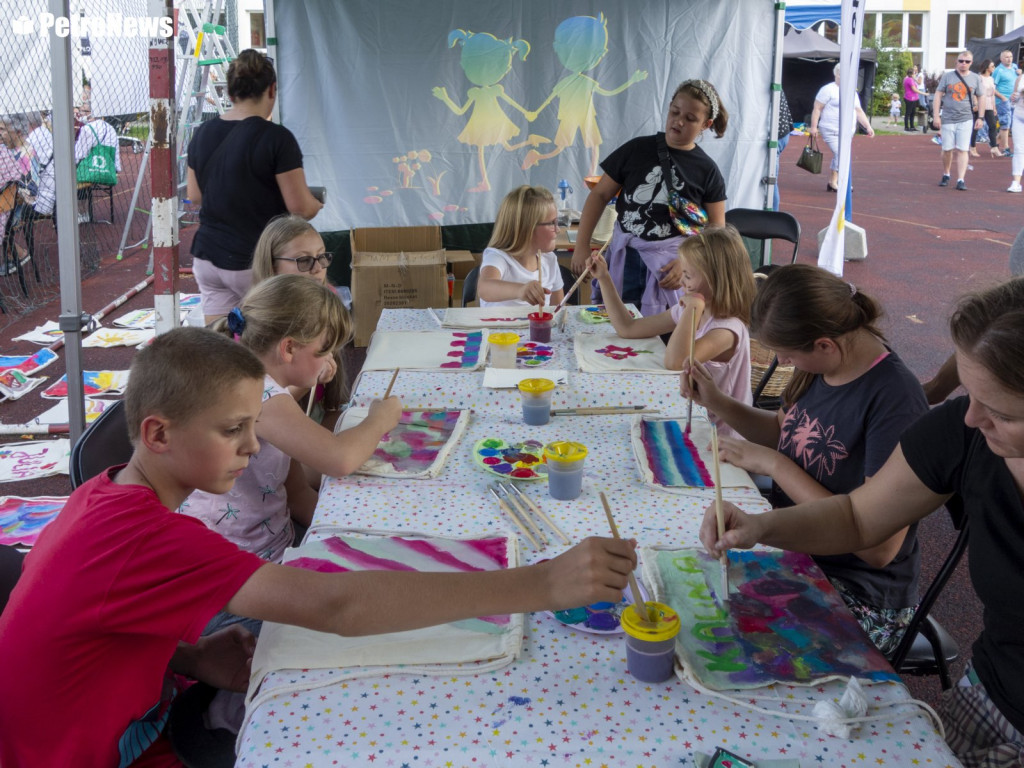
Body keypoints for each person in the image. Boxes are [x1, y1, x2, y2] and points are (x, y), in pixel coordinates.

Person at [0, 326, 636, 766]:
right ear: (158, 434)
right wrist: (541, 585)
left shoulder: (107, 496)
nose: (253, 449)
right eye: (233, 431)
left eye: (253, 426)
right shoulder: (147, 534)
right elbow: (336, 605)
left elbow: (97, 626)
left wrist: (188, 657)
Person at [701, 278, 1024, 766]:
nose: (972, 418)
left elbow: (879, 551)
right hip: (993, 689)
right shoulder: (965, 432)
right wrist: (758, 527)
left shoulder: (889, 394)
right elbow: (857, 516)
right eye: (970, 392)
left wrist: (773, 472)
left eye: (1000, 411)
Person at [682, 264, 928, 654]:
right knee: (688, 601)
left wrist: (776, 465)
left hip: (858, 589)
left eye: (787, 355)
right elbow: (786, 432)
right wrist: (718, 402)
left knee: (724, 643)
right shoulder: (821, 368)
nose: (783, 363)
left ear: (824, 344)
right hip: (798, 549)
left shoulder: (894, 400)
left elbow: (878, 548)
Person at [181, 274, 400, 570]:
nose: (329, 361)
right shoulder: (259, 394)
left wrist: (348, 534)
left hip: (270, 541)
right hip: (242, 565)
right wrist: (379, 420)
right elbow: (339, 459)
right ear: (289, 349)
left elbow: (295, 494)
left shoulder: (259, 383)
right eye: (324, 351)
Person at [570, 79, 728, 317]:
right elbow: (599, 195)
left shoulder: (707, 170)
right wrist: (581, 246)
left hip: (673, 270)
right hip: (626, 259)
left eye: (690, 118)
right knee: (617, 328)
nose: (679, 121)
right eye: (675, 112)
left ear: (706, 124)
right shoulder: (636, 149)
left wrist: (690, 263)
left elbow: (717, 229)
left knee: (664, 338)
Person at [187, 49, 323, 324]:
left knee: (222, 344)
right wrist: (317, 202)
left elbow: (195, 196)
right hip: (256, 260)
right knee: (273, 341)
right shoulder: (277, 138)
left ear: (229, 92)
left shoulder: (203, 133)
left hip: (208, 258)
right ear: (272, 90)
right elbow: (300, 209)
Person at [586, 224, 754, 435]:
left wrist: (692, 310)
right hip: (694, 420)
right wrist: (604, 278)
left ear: (716, 280)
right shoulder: (691, 310)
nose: (682, 281)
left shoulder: (727, 330)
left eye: (688, 276)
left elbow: (675, 362)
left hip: (721, 437)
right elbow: (628, 328)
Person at [477, 185, 565, 308]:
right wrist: (520, 290)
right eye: (552, 223)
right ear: (527, 228)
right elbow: (484, 288)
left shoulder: (550, 260)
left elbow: (558, 309)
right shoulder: (498, 258)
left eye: (557, 222)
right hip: (499, 328)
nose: (558, 229)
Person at [809, 63, 875, 193]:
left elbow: (858, 110)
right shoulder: (828, 90)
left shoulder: (852, 92)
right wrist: (813, 127)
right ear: (837, 74)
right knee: (842, 154)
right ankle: (841, 182)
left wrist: (868, 126)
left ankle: (833, 181)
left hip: (847, 131)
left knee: (840, 155)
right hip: (830, 129)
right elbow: (817, 108)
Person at [934, 51, 983, 191]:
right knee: (947, 149)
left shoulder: (975, 78)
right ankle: (946, 173)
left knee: (963, 149)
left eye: (967, 62)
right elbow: (938, 95)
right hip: (948, 118)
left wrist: (980, 116)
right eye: (961, 61)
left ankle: (961, 179)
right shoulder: (947, 77)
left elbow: (981, 96)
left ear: (971, 63)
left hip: (966, 118)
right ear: (956, 61)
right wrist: (937, 116)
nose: (964, 64)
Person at [992, 49, 1019, 157]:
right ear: (1001, 58)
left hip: (1014, 100)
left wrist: (1020, 73)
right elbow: (992, 87)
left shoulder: (1014, 67)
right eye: (1006, 57)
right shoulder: (998, 71)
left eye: (1011, 57)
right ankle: (1006, 148)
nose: (1009, 59)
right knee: (1005, 125)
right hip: (1003, 101)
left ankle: (994, 143)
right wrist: (1002, 97)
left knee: (1011, 124)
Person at [973, 60, 1000, 159]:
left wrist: (994, 107)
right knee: (976, 126)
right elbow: (974, 92)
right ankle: (972, 146)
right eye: (992, 66)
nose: (994, 68)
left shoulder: (991, 79)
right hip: (980, 103)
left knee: (993, 125)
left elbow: (992, 94)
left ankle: (994, 147)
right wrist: (976, 103)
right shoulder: (979, 78)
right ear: (986, 67)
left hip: (989, 103)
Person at [773, 89, 794, 211]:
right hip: (782, 133)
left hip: (778, 135)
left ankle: (773, 213)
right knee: (771, 178)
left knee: (771, 179)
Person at [1006, 71, 1024, 194]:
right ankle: (1016, 182)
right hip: (1019, 116)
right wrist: (1013, 97)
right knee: (1018, 148)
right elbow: (1014, 98)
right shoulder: (1020, 78)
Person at [903, 66, 925, 132]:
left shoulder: (911, 79)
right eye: (914, 73)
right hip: (909, 98)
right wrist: (924, 93)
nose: (915, 74)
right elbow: (914, 89)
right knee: (908, 113)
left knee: (913, 113)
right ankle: (906, 127)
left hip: (913, 98)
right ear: (912, 73)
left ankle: (912, 127)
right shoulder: (909, 79)